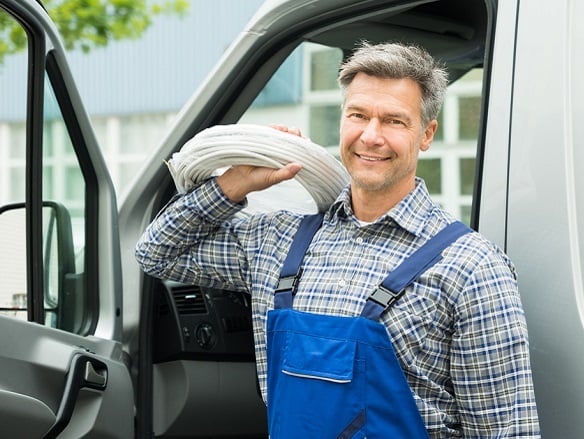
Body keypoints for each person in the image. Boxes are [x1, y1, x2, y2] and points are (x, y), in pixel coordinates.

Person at [136, 41, 540, 438]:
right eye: (358, 115)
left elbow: (507, 431)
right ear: (342, 119)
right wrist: (234, 182)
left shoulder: (471, 266)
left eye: (394, 121)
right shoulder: (277, 239)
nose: (371, 136)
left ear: (426, 134)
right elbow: (157, 253)